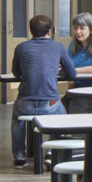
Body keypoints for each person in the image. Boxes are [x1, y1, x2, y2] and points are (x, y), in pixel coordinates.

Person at [11, 14, 78, 167]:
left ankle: (19, 156)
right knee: (62, 117)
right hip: (50, 103)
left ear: (31, 31)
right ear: (50, 31)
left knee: (16, 119)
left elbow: (16, 72)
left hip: (25, 102)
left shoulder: (21, 47)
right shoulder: (58, 47)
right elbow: (72, 73)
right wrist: (58, 72)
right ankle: (52, 151)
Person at [63, 12, 92, 114]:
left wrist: (72, 71)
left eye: (82, 28)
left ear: (91, 29)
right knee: (59, 108)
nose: (78, 32)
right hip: (78, 89)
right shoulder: (73, 45)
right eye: (75, 28)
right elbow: (71, 78)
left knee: (77, 108)